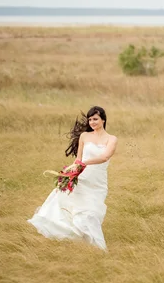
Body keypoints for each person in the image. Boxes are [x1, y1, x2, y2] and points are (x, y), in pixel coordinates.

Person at [28, 106, 118, 250]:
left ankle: (94, 246)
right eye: (90, 120)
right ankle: (91, 247)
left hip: (97, 183)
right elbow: (78, 159)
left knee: (92, 213)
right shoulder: (85, 136)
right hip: (81, 179)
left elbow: (104, 156)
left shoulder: (111, 139)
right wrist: (70, 172)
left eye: (95, 119)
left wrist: (85, 163)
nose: (92, 122)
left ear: (103, 119)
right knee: (77, 211)